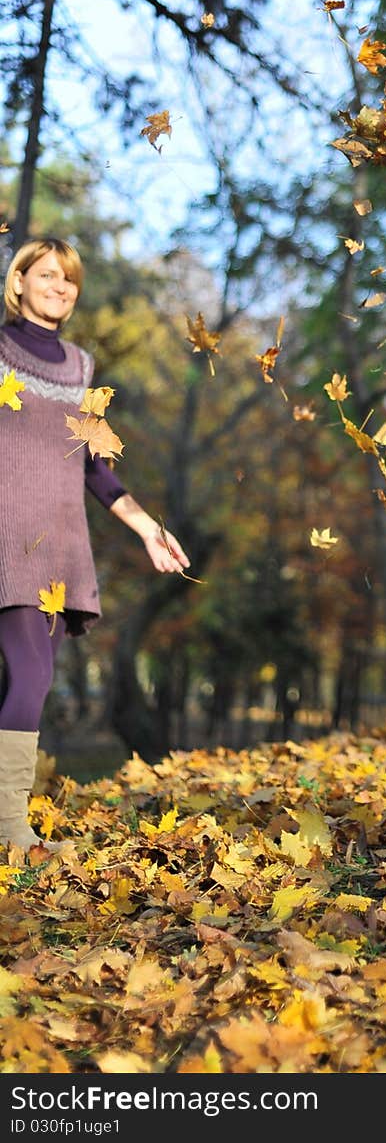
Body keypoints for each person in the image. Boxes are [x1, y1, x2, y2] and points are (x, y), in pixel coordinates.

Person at [0, 236, 190, 851]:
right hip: (6, 537)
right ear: (20, 280)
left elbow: (95, 468)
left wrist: (148, 528)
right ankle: (9, 831)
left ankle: (7, 827)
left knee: (35, 677)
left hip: (57, 550)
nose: (61, 286)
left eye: (71, 278)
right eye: (49, 274)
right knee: (28, 676)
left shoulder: (81, 368)